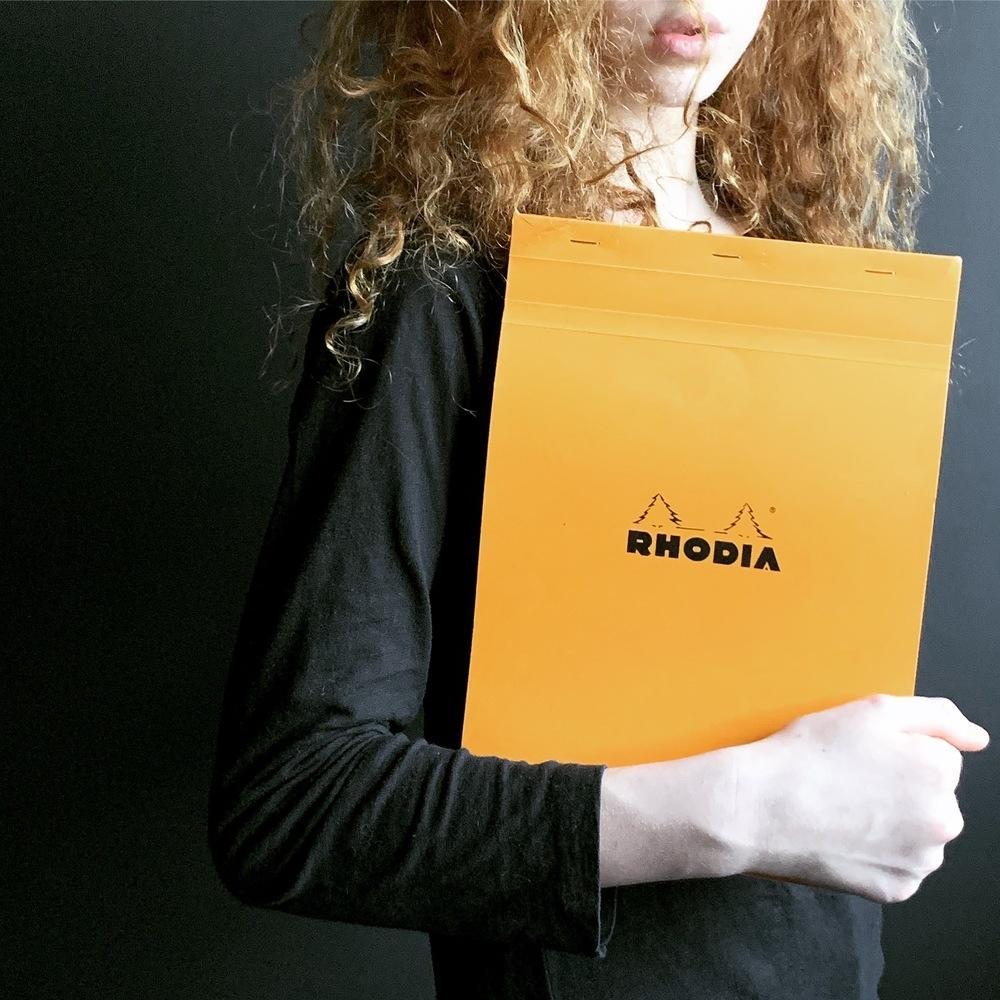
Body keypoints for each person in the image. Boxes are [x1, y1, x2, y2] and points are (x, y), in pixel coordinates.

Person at [208, 2, 991, 997]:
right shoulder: (442, 290)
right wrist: (747, 808)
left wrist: (882, 776)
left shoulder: (810, 272)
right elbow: (292, 801)